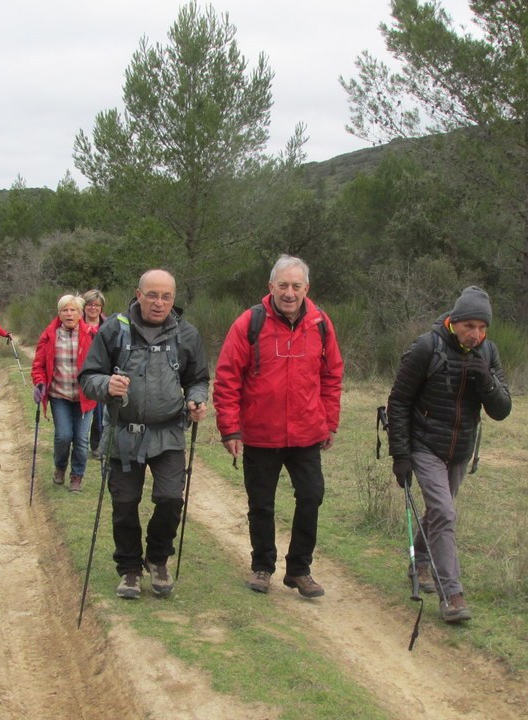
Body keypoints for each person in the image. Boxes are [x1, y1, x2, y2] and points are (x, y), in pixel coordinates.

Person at [213, 255, 344, 598]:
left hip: (306, 433)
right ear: (270, 287)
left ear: (306, 289)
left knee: (312, 496)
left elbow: (332, 375)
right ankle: (263, 566)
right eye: (282, 285)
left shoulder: (320, 324)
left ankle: (299, 570)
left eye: (296, 286)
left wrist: (330, 422)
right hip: (260, 432)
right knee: (261, 503)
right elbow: (227, 376)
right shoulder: (249, 323)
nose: (289, 292)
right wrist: (229, 428)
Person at [79, 270, 209, 600]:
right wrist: (106, 385)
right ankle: (130, 569)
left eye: (166, 296)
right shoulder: (115, 329)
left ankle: (157, 558)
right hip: (124, 433)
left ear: (173, 299)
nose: (159, 302)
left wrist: (196, 398)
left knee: (170, 499)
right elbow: (89, 376)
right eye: (152, 295)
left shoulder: (186, 334)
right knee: (125, 504)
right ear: (138, 294)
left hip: (169, 434)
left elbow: (198, 378)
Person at [386, 286, 512, 623]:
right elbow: (398, 401)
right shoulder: (427, 347)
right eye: (469, 326)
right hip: (424, 443)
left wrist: (485, 381)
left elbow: (502, 410)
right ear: (454, 321)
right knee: (444, 511)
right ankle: (452, 595)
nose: (476, 334)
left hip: (461, 450)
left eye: (482, 328)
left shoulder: (489, 354)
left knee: (439, 512)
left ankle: (420, 562)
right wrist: (400, 454)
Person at [31, 294, 98, 493]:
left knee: (81, 439)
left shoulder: (92, 335)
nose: (69, 314)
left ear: (80, 313)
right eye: (65, 310)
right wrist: (40, 383)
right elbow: (38, 365)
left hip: (85, 397)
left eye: (73, 310)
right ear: (59, 313)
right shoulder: (50, 335)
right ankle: (60, 467)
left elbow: (101, 364)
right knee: (63, 436)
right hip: (59, 395)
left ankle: (77, 476)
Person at [82, 288, 108, 456]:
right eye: (90, 305)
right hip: (81, 373)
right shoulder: (76, 323)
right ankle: (79, 441)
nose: (93, 308)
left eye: (97, 305)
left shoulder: (107, 325)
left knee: (100, 412)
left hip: (101, 372)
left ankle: (96, 444)